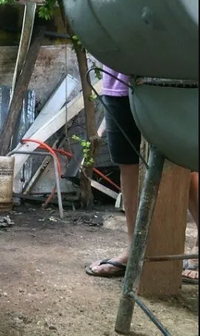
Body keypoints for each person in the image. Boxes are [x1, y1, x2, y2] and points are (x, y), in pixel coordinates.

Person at [85, 66, 199, 283]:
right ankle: (134, 248)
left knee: (188, 163)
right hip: (119, 79)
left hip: (174, 76)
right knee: (127, 165)